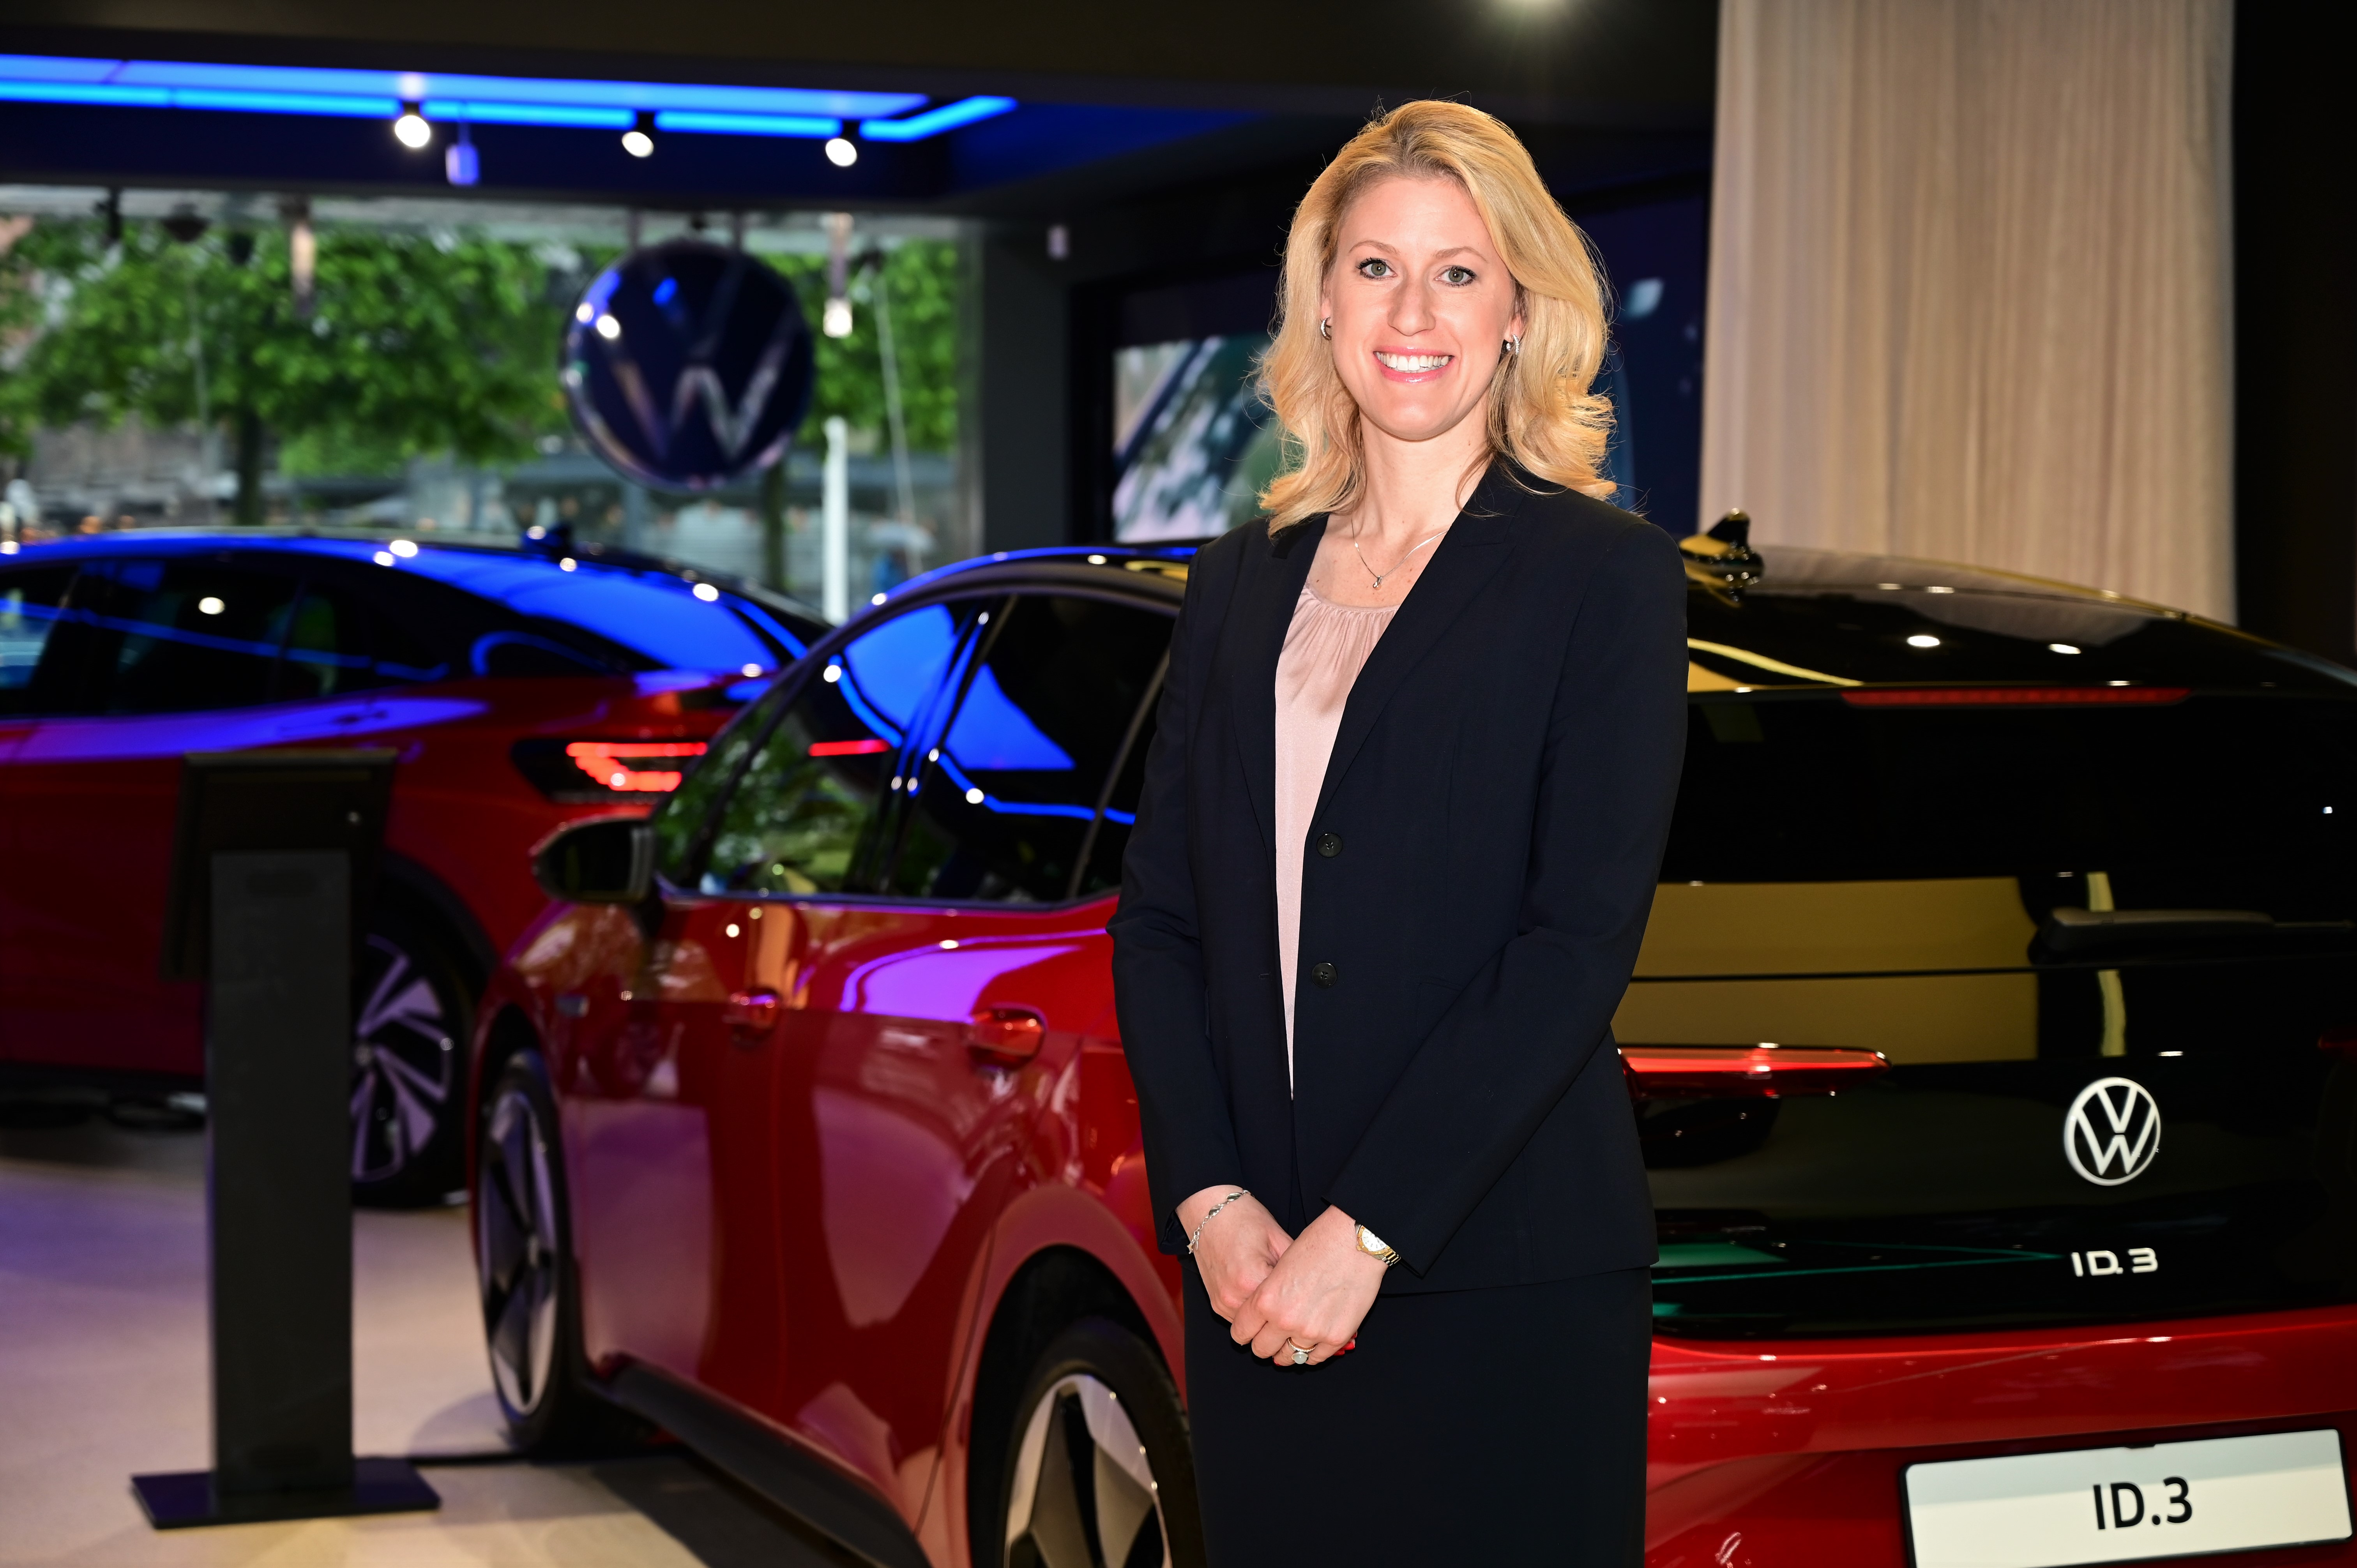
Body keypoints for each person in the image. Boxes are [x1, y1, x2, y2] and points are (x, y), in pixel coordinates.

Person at [1108, 100, 1687, 1565]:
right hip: (1254, 1275)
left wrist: (1363, 1231)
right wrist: (1212, 1203)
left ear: (1520, 311)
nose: (1412, 312)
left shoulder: (1603, 579)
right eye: (1375, 268)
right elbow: (1162, 921)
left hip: (1500, 1275)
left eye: (1458, 272)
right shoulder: (1238, 582)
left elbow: (1572, 945)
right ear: (1324, 299)